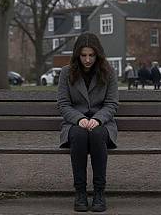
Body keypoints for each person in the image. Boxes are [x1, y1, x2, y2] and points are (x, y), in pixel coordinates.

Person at [57, 32, 119, 212]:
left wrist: (98, 119)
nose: (87, 59)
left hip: (103, 125)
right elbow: (63, 104)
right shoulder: (66, 73)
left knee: (97, 134)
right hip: (74, 125)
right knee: (79, 134)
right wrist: (80, 119)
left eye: (91, 55)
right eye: (83, 55)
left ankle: (99, 192)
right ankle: (81, 192)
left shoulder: (108, 72)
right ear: (77, 54)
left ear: (97, 54)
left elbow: (111, 104)